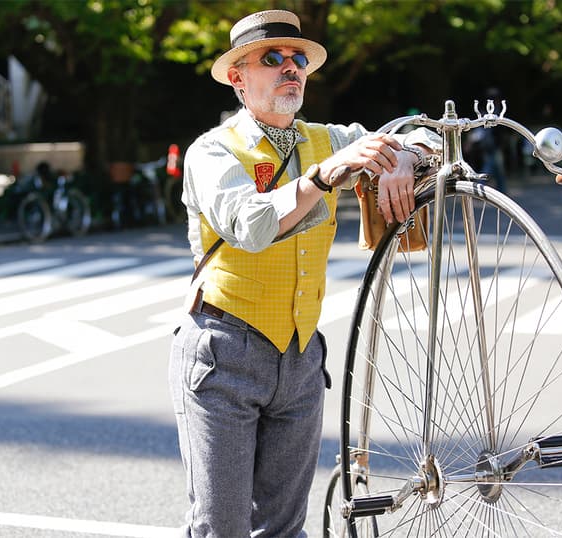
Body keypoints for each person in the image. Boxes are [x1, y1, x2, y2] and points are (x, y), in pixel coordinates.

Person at [169, 9, 440, 537]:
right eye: (272, 58)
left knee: (286, 528)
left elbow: (421, 136)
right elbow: (249, 225)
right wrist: (323, 177)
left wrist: (405, 158)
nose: (290, 67)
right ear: (238, 78)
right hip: (223, 352)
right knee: (220, 527)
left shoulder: (326, 138)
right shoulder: (213, 150)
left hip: (300, 356)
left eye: (298, 60)